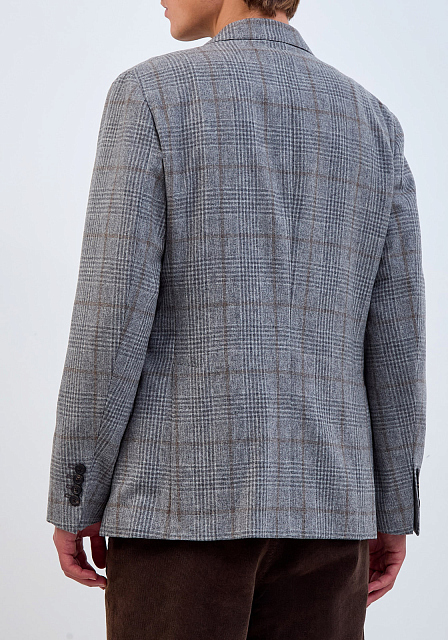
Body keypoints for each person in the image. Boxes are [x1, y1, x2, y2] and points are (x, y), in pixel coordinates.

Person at [46, 1, 426, 638]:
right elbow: (398, 337)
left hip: (178, 512)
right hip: (332, 516)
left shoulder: (150, 95)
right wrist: (392, 507)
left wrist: (76, 490)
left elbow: (110, 314)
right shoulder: (373, 120)